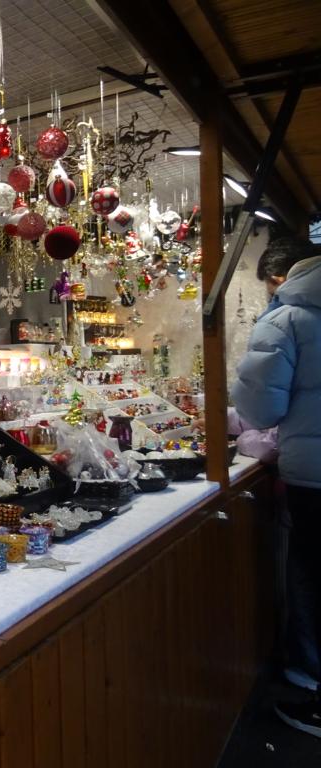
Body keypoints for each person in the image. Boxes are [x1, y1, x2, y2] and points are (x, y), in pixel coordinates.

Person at [231, 237, 321, 737]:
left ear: (278, 278)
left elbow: (261, 408)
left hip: (314, 476)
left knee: (309, 575)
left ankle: (311, 684)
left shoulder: (286, 318)